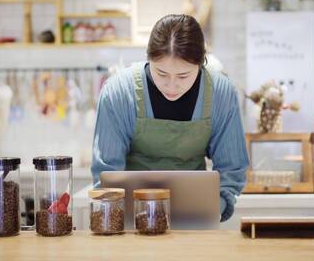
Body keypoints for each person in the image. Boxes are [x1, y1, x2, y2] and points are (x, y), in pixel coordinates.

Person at [91, 14, 248, 222]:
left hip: (197, 214)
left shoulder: (221, 92)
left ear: (201, 64)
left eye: (184, 76)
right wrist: (118, 218)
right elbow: (106, 174)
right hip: (132, 221)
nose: (172, 86)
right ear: (148, 59)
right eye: (161, 73)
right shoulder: (118, 93)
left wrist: (214, 207)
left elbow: (231, 168)